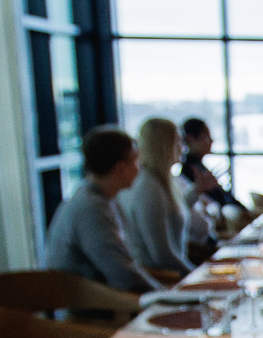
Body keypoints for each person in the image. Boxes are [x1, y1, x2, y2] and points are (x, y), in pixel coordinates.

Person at [42, 126, 162, 294]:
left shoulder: (98, 198)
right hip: (98, 309)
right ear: (120, 168)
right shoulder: (91, 208)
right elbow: (124, 276)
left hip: (107, 299)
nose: (140, 167)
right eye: (135, 161)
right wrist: (167, 295)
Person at [119, 117, 192, 283]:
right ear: (164, 146)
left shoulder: (161, 182)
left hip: (172, 276)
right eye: (178, 142)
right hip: (163, 281)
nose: (183, 148)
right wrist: (198, 277)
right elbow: (162, 256)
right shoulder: (149, 188)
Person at [177, 117, 246, 247]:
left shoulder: (199, 168)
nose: (212, 141)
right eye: (206, 136)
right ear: (191, 139)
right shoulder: (192, 172)